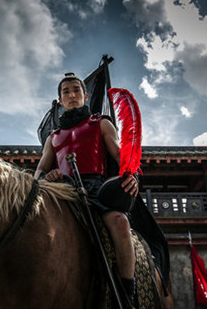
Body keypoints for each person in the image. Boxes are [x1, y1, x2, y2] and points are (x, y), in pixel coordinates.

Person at [35, 73, 140, 304]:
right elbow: (40, 171)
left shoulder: (101, 122)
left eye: (76, 90)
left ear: (85, 95)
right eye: (66, 92)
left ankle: (126, 293)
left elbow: (119, 154)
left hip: (96, 188)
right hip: (63, 190)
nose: (71, 95)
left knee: (120, 222)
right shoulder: (53, 137)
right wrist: (48, 176)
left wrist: (131, 172)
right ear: (60, 100)